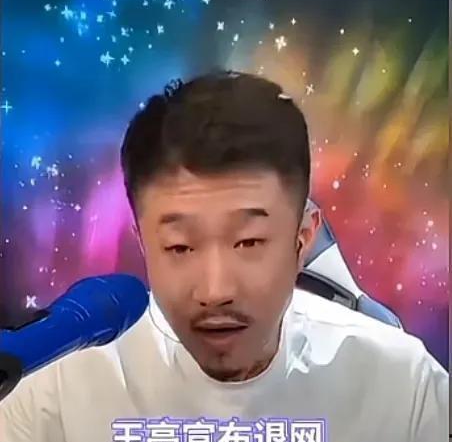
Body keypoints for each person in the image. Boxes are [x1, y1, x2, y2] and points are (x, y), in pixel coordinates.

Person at [0, 71, 448, 442]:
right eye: (179, 246)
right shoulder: (54, 387)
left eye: (249, 242)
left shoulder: (401, 383)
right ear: (143, 243)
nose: (215, 291)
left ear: (303, 238)